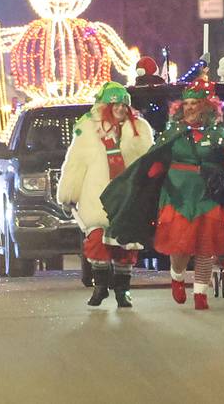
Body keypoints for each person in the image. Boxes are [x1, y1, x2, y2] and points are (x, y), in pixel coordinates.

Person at [101, 79, 224, 310]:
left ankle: (200, 294)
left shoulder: (219, 133)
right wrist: (154, 170)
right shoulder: (173, 132)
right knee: (180, 246)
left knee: (206, 247)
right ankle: (177, 277)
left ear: (206, 106)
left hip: (207, 194)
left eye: (194, 103)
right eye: (186, 103)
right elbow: (158, 157)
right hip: (177, 193)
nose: (189, 107)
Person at [56, 82, 154, 308]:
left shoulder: (140, 130)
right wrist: (69, 193)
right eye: (114, 104)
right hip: (96, 196)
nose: (120, 109)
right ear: (104, 106)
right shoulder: (88, 130)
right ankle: (100, 287)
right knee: (97, 241)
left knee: (125, 245)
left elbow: (147, 163)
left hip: (128, 197)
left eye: (123, 105)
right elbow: (76, 164)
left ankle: (123, 290)